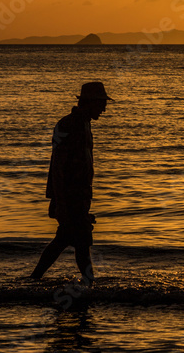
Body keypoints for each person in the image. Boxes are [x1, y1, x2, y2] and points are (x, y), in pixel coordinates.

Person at [30, 81, 112, 284]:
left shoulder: (83, 124)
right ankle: (86, 284)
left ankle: (37, 280)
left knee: (69, 240)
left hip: (78, 196)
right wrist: (61, 202)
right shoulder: (68, 124)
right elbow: (57, 167)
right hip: (69, 196)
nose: (104, 108)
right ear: (90, 102)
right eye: (101, 103)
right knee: (75, 240)